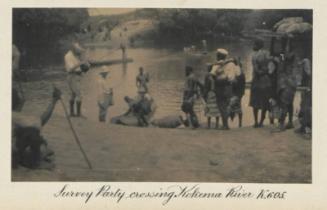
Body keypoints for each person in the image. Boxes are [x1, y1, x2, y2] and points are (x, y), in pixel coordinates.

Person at [12, 87, 61, 169]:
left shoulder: (14, 116)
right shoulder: (14, 116)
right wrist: (54, 101)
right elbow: (40, 122)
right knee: (32, 133)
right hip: (14, 154)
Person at [250, 39, 273, 128]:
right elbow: (271, 66)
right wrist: (266, 71)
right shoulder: (267, 54)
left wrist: (260, 72)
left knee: (255, 102)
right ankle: (261, 122)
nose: (253, 46)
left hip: (257, 80)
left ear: (257, 45)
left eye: (254, 44)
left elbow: (256, 69)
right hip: (266, 80)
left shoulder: (254, 55)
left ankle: (256, 122)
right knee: (265, 102)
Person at [64, 42, 90, 117]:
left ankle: (72, 113)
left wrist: (86, 65)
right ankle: (78, 114)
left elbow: (81, 66)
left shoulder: (75, 55)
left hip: (76, 76)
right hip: (72, 76)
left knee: (73, 94)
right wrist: (80, 63)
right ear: (73, 49)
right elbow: (70, 69)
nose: (78, 51)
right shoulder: (68, 56)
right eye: (77, 50)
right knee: (79, 95)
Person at [273, 51, 297, 132]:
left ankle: (281, 124)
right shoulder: (292, 66)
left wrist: (281, 56)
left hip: (286, 84)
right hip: (291, 85)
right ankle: (290, 122)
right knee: (289, 104)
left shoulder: (284, 65)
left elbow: (281, 63)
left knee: (284, 104)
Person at [211, 48, 233, 130]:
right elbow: (233, 76)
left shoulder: (216, 65)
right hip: (229, 87)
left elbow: (212, 75)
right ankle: (226, 124)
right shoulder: (231, 64)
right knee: (226, 105)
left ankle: (225, 125)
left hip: (220, 87)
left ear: (219, 56)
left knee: (221, 106)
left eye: (217, 55)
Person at [295, 57, 311, 135]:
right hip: (305, 91)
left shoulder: (307, 73)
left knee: (305, 108)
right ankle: (303, 127)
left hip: (307, 92)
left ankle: (306, 128)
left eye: (303, 65)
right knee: (303, 107)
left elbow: (308, 84)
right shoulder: (305, 72)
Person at [203, 64, 221, 129]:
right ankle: (216, 125)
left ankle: (208, 125)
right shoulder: (215, 75)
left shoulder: (207, 75)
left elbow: (205, 86)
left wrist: (204, 94)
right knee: (216, 109)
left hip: (210, 93)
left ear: (208, 68)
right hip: (215, 93)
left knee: (209, 109)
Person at [230, 58, 246, 127]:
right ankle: (239, 123)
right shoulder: (240, 72)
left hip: (236, 92)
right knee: (238, 106)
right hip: (239, 92)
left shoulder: (238, 72)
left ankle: (238, 122)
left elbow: (235, 82)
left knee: (233, 106)